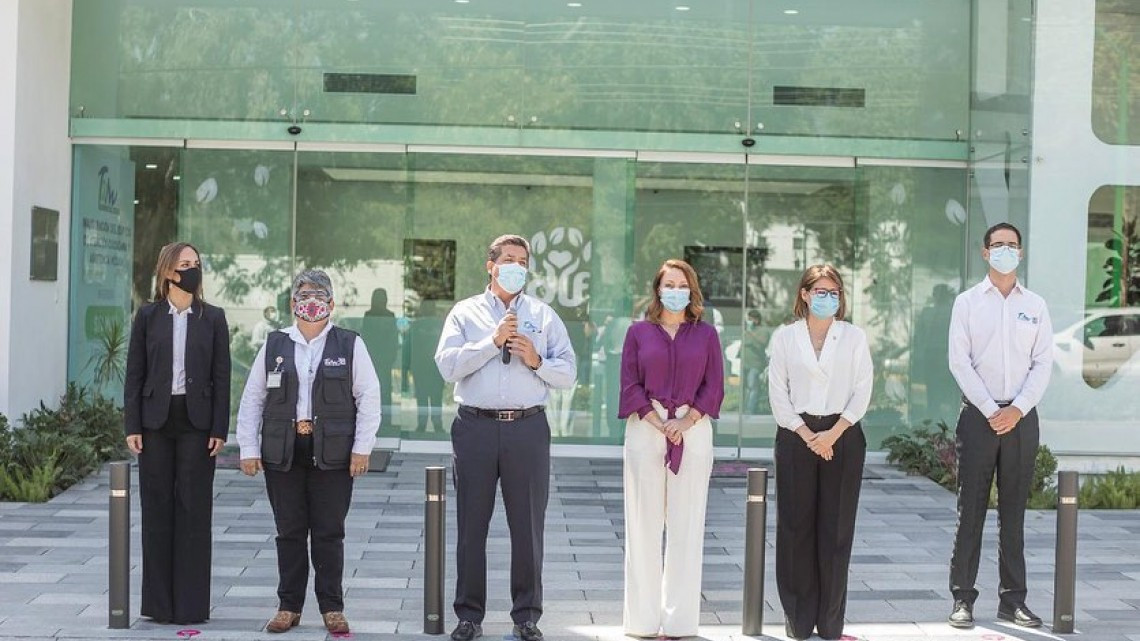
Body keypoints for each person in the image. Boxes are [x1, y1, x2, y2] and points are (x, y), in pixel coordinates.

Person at [435, 234, 577, 641]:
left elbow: (568, 373)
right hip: (475, 427)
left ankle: (527, 616)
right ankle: (468, 616)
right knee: (471, 526)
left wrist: (536, 360)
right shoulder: (465, 313)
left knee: (528, 527)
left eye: (522, 260)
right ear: (491, 265)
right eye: (508, 259)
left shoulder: (544, 315)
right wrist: (490, 342)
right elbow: (447, 366)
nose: (516, 266)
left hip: (528, 429)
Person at [235, 269, 382, 635]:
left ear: (331, 303)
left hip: (331, 453)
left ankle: (332, 607)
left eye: (319, 295)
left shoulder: (350, 344)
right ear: (292, 303)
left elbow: (369, 398)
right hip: (283, 452)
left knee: (329, 531)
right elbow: (253, 398)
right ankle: (289, 606)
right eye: (303, 295)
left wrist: (362, 448)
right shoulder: (274, 345)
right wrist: (248, 448)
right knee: (289, 531)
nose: (311, 301)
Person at [947, 223, 1053, 630]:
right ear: (985, 252)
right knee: (970, 509)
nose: (1005, 250)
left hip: (1022, 419)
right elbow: (959, 361)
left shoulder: (1036, 306)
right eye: (998, 245)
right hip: (979, 416)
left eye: (1012, 245)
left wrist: (1018, 408)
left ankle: (1013, 601)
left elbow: (1043, 362)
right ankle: (962, 598)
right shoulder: (968, 303)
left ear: (1020, 254)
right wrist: (993, 409)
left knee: (1014, 513)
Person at [123, 241, 231, 625]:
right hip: (154, 423)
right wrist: (132, 424)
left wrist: (220, 427)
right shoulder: (148, 316)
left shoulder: (213, 317)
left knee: (194, 510)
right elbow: (134, 373)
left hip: (197, 423)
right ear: (168, 271)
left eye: (197, 263)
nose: (193, 269)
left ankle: (190, 605)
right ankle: (159, 605)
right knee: (157, 510)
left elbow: (222, 376)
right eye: (186, 264)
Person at [618, 259, 724, 639]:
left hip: (693, 434)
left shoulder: (707, 335)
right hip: (646, 430)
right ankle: (642, 622)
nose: (676, 290)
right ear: (658, 289)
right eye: (669, 284)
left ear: (691, 290)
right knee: (643, 526)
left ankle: (679, 622)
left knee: (686, 526)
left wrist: (685, 420)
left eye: (683, 284)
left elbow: (714, 386)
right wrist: (656, 418)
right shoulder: (638, 333)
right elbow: (629, 384)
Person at [768, 264, 872, 641]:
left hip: (842, 434)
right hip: (796, 435)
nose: (828, 298)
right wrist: (808, 434)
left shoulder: (853, 337)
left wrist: (832, 434)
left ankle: (830, 623)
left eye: (835, 292)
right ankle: (798, 620)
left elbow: (862, 389)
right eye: (821, 291)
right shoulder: (784, 337)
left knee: (836, 529)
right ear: (805, 294)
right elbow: (778, 392)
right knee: (795, 529)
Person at [361, 288, 399, 428]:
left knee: (385, 390)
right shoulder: (368, 315)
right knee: (371, 390)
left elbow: (393, 337)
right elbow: (366, 336)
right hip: (372, 357)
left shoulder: (390, 315)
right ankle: (371, 421)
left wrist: (391, 356)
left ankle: (386, 421)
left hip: (384, 358)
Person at [409, 299, 446, 433]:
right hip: (427, 366)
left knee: (427, 397)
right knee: (429, 397)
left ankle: (427, 424)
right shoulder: (436, 325)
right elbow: (410, 346)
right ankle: (431, 424)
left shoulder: (438, 325)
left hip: (430, 366)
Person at [742, 309, 769, 415]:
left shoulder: (763, 331)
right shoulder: (746, 331)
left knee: (752, 385)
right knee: (745, 387)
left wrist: (750, 333)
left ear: (756, 320)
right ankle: (743, 408)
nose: (748, 321)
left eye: (750, 319)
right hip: (745, 363)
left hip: (756, 364)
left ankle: (751, 409)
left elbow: (763, 343)